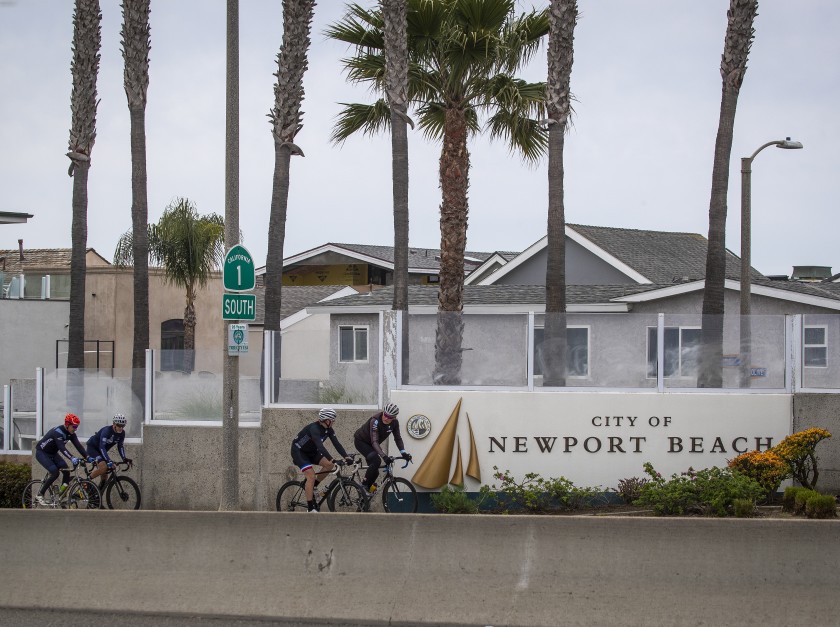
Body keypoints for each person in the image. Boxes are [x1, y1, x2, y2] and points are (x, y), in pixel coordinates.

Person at [290, 408, 353, 512]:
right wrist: (333, 459)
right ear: (327, 420)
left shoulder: (329, 430)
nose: (334, 422)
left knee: (329, 465)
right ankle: (310, 508)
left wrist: (346, 457)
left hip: (311, 451)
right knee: (311, 476)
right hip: (299, 452)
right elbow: (320, 447)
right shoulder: (314, 428)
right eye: (332, 420)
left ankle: (313, 486)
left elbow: (337, 444)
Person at [354, 402, 412, 494]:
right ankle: (363, 485)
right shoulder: (375, 420)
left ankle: (364, 497)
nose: (386, 418)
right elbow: (374, 441)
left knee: (375, 472)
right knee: (376, 460)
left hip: (372, 444)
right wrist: (384, 456)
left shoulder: (395, 423)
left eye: (389, 417)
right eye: (385, 414)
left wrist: (403, 453)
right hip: (361, 442)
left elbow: (398, 438)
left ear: (394, 418)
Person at [33, 413, 89, 506]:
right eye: (74, 426)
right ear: (67, 425)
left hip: (53, 453)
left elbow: (78, 446)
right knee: (55, 472)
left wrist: (88, 457)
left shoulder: (71, 433)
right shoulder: (58, 432)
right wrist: (72, 458)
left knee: (66, 471)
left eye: (77, 427)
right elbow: (62, 448)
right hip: (42, 453)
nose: (75, 429)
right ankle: (40, 494)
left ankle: (61, 494)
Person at [86, 413, 132, 489]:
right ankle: (86, 482)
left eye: (123, 426)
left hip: (101, 451)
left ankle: (98, 493)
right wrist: (108, 460)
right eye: (119, 425)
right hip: (93, 448)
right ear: (114, 424)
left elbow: (120, 446)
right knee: (103, 467)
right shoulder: (106, 431)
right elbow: (102, 447)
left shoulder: (122, 433)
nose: (121, 428)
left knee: (105, 475)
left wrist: (124, 458)